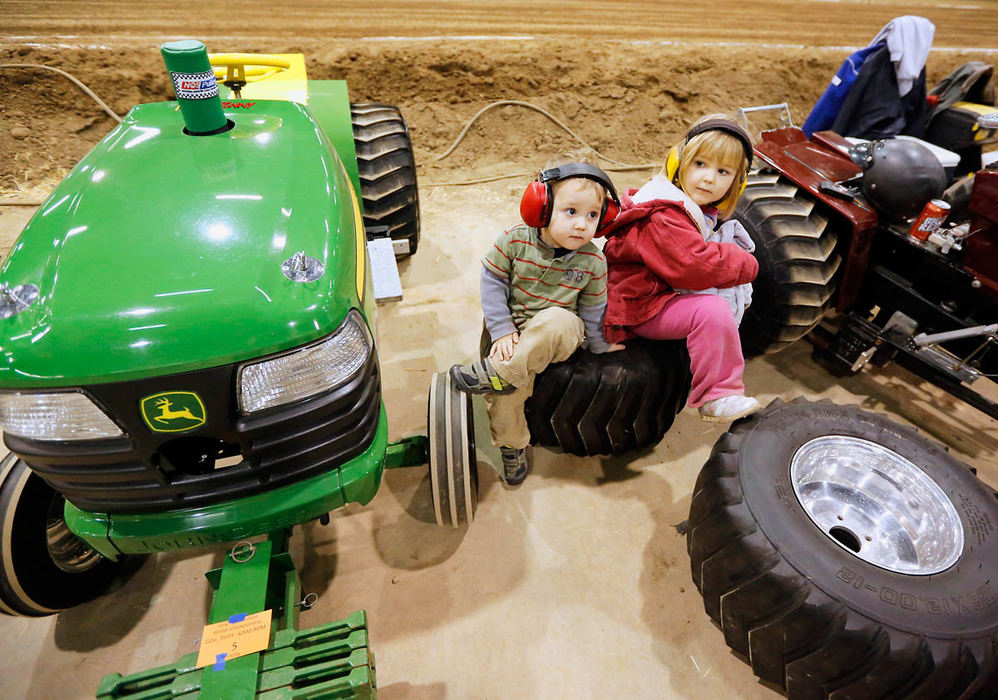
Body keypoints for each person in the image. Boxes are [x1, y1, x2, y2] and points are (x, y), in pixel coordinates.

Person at [449, 153, 625, 486]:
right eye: (570, 212)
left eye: (592, 216)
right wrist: (501, 330)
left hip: (558, 333)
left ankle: (500, 373)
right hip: (514, 330)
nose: (581, 224)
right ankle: (513, 445)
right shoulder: (514, 239)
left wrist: (599, 346)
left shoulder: (592, 261)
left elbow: (591, 308)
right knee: (506, 398)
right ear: (541, 208)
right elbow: (493, 281)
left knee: (557, 319)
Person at [601, 116, 761, 422]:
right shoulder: (665, 214)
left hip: (650, 295)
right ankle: (716, 394)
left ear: (736, 183)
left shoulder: (689, 207)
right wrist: (746, 263)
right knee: (711, 311)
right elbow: (694, 265)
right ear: (678, 163)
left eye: (723, 171)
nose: (709, 178)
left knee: (719, 298)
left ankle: (712, 362)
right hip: (637, 307)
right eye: (700, 164)